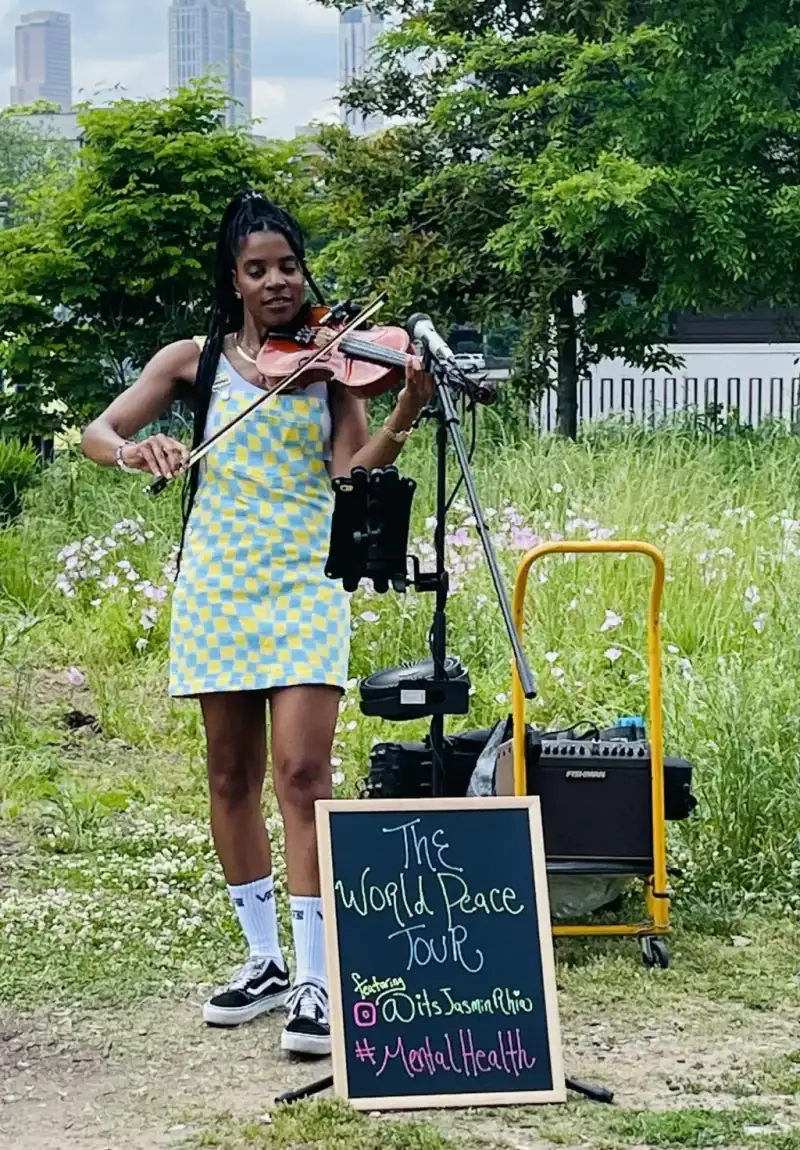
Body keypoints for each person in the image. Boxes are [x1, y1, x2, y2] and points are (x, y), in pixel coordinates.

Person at [81, 190, 433, 1056]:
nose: (277, 282)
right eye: (257, 269)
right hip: (216, 586)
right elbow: (100, 431)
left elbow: (352, 471)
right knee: (229, 777)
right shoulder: (190, 362)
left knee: (304, 773)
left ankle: (317, 978)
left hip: (304, 581)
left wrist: (404, 412)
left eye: (288, 265)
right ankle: (265, 959)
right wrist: (138, 450)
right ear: (233, 280)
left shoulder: (329, 364)